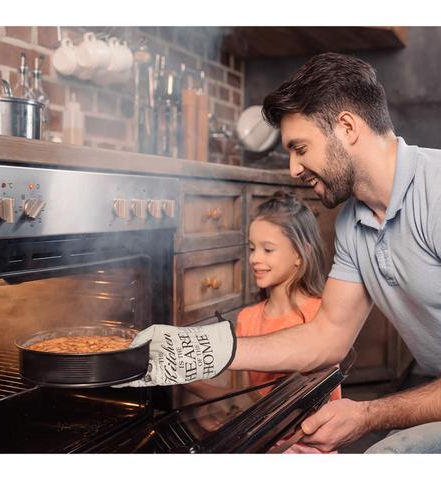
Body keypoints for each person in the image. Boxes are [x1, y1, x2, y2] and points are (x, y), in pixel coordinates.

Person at [123, 52, 441, 454]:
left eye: (300, 148)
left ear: (346, 128)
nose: (294, 168)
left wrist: (368, 414)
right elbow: (326, 337)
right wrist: (207, 351)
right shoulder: (351, 223)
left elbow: (363, 404)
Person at [185, 191, 341, 453]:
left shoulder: (321, 317)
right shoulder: (248, 318)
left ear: (300, 255)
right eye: (252, 248)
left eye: (268, 250)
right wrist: (185, 379)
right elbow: (247, 404)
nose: (255, 258)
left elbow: (325, 411)